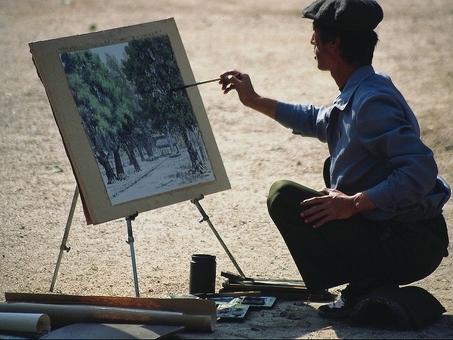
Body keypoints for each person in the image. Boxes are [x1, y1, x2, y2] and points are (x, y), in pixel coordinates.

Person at [219, 0, 450, 319]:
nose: (312, 41)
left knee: (284, 197)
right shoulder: (365, 87)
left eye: (316, 34)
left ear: (334, 43)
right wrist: (255, 100)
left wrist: (354, 204)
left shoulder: (371, 101)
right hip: (401, 236)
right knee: (321, 180)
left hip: (408, 243)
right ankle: (366, 283)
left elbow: (420, 170)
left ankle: (367, 284)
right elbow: (318, 119)